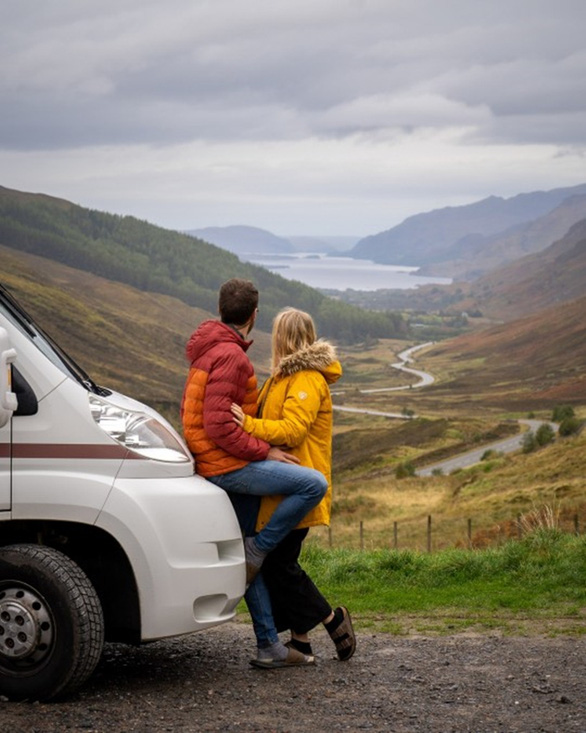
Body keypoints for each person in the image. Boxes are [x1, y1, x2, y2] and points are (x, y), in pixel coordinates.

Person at [181, 278, 327, 667]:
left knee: (250, 557)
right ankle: (260, 548)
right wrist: (266, 451)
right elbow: (220, 426)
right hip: (227, 465)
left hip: (217, 460)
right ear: (255, 316)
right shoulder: (231, 356)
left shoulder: (210, 349)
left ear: (221, 308)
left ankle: (268, 646)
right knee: (313, 484)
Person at [231, 307, 356, 664]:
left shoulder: (306, 379)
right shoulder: (281, 378)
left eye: (277, 333)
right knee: (279, 563)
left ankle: (334, 621)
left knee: (279, 565)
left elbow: (292, 431)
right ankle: (300, 642)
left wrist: (249, 427)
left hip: (300, 489)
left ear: (286, 337)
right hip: (284, 490)